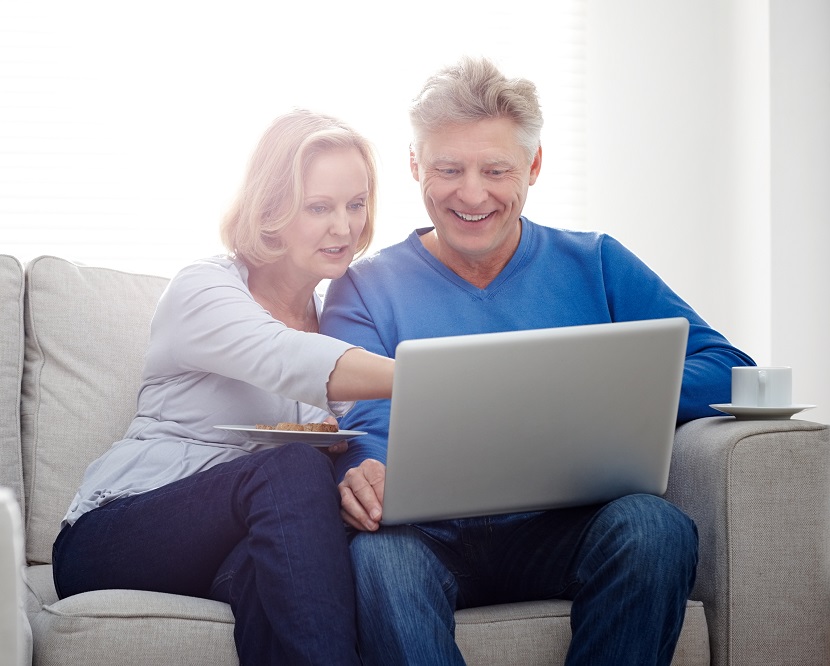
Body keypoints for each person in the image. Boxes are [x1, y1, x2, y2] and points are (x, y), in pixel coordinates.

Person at [319, 57, 756, 665]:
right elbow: (361, 425)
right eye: (448, 168)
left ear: (535, 165)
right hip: (426, 539)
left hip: (564, 531)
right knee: (377, 558)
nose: (472, 193)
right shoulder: (363, 288)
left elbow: (727, 365)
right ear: (416, 165)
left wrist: (605, 390)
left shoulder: (597, 263)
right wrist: (363, 473)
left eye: (496, 169)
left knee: (655, 528)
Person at [51, 109, 395, 665]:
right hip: (112, 533)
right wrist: (429, 377)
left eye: (356, 204)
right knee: (291, 466)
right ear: (271, 211)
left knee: (278, 570)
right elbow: (281, 356)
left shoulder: (339, 318)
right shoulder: (205, 289)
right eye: (319, 207)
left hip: (224, 547)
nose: (345, 227)